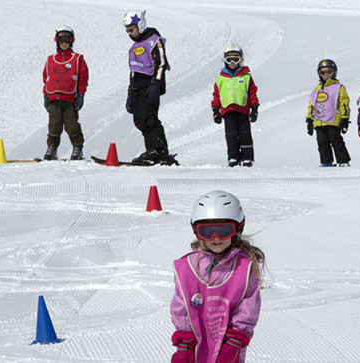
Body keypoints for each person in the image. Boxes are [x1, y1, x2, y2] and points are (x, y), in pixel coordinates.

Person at [171, 190, 264, 363]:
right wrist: (184, 344)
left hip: (228, 347)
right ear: (196, 231)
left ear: (237, 228)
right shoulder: (187, 268)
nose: (215, 238)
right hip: (196, 345)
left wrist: (235, 342)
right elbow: (181, 306)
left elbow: (249, 307)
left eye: (223, 230)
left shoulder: (245, 267)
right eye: (207, 232)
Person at [123, 10, 177, 165]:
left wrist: (156, 84)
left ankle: (159, 150)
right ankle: (152, 150)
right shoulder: (134, 47)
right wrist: (130, 92)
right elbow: (133, 70)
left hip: (149, 84)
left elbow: (161, 63)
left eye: (132, 30)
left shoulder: (153, 40)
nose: (130, 34)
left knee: (149, 118)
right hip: (137, 86)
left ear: (140, 25)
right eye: (127, 31)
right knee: (139, 120)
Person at [42, 25, 88, 160]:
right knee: (54, 124)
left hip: (70, 98)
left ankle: (77, 148)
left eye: (67, 40)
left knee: (71, 124)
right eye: (61, 40)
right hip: (54, 97)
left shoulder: (77, 59)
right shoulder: (51, 59)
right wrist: (46, 95)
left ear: (72, 41)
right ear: (56, 40)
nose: (64, 43)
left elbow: (83, 78)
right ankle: (52, 148)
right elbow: (46, 78)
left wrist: (80, 95)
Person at [212, 46, 260, 167]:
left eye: (236, 59)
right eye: (229, 59)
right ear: (225, 61)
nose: (232, 63)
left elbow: (252, 92)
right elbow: (217, 94)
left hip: (242, 109)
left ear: (241, 60)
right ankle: (233, 157)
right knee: (231, 134)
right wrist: (216, 110)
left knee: (244, 133)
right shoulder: (221, 78)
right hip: (227, 110)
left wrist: (254, 107)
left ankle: (247, 157)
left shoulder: (246, 77)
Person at [306, 59, 351, 167]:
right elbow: (312, 105)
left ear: (334, 72)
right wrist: (309, 119)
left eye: (329, 72)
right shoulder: (317, 89)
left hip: (333, 120)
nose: (326, 75)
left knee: (336, 140)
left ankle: (343, 161)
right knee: (322, 143)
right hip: (319, 121)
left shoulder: (338, 87)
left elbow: (344, 102)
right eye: (323, 73)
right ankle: (326, 162)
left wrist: (344, 118)